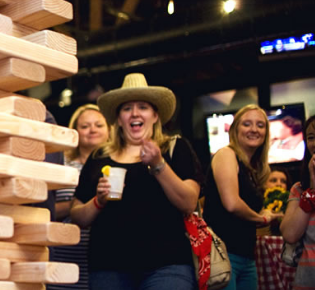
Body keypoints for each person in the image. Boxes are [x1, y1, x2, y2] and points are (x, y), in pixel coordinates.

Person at [70, 73, 202, 290]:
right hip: (108, 267)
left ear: (155, 116)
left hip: (167, 265)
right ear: (119, 119)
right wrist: (98, 201)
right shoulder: (99, 157)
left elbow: (188, 203)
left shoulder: (174, 149)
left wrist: (159, 165)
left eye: (143, 107)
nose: (134, 113)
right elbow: (78, 217)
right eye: (126, 108)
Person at [203, 104, 281, 290]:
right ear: (235, 129)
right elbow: (232, 204)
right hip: (223, 255)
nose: (254, 129)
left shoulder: (252, 169)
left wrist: (274, 214)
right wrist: (261, 218)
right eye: (247, 124)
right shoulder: (226, 154)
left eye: (260, 125)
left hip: (247, 257)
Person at [52, 104, 109, 290]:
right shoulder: (60, 167)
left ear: (110, 129)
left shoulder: (120, 165)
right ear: (75, 132)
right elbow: (43, 210)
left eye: (99, 125)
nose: (92, 129)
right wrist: (78, 206)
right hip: (64, 254)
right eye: (85, 126)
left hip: (106, 257)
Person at [280, 110, 315, 289]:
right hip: (307, 281)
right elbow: (290, 234)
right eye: (310, 137)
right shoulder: (299, 188)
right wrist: (312, 192)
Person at [257, 167, 291, 236]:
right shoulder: (257, 205)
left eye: (283, 181)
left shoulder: (292, 205)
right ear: (264, 184)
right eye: (273, 180)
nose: (279, 184)